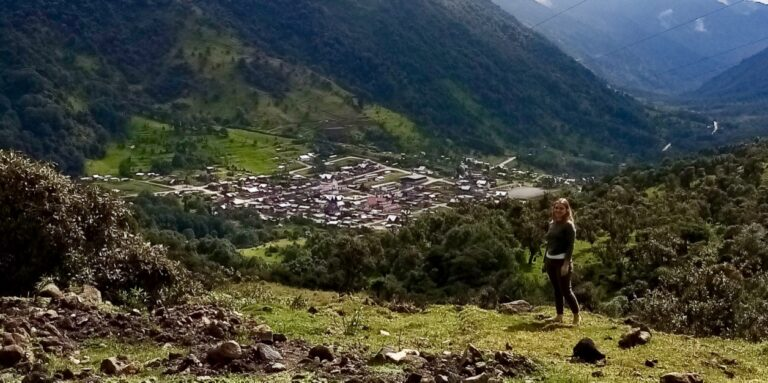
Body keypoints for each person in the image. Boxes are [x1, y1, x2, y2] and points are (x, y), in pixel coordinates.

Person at [543, 198, 581, 325]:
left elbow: (571, 246)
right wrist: (545, 260)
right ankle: (559, 316)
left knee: (566, 290)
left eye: (561, 208)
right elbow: (549, 243)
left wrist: (566, 264)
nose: (558, 210)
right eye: (556, 208)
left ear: (566, 210)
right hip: (550, 261)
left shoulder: (568, 226)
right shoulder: (552, 223)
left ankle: (576, 316)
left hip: (561, 262)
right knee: (556, 290)